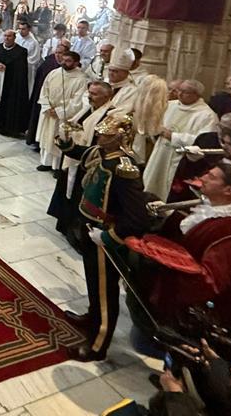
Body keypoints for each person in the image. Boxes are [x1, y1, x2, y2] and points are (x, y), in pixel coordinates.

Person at [57, 111, 148, 361]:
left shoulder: (123, 169)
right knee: (94, 286)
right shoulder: (100, 152)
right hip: (89, 226)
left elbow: (137, 218)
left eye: (107, 134)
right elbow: (79, 153)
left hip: (104, 235)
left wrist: (108, 237)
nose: (100, 135)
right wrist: (66, 141)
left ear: (120, 138)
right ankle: (92, 316)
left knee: (105, 292)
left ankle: (98, 345)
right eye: (101, 131)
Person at [135, 164, 231, 335]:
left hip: (198, 319)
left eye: (211, 177)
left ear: (228, 190)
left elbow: (209, 284)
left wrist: (164, 270)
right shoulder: (222, 211)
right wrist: (170, 216)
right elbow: (199, 233)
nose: (202, 178)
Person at [144, 80, 221, 200]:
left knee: (169, 190)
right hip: (161, 152)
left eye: (185, 92)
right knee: (153, 181)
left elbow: (203, 141)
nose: (179, 94)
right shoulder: (170, 105)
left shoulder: (207, 115)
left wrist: (173, 136)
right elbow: (157, 124)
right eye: (179, 90)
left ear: (196, 94)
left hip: (182, 160)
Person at [35, 50, 87, 172]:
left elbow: (77, 102)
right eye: (63, 60)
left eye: (68, 61)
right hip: (49, 112)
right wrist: (47, 106)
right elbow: (44, 90)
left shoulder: (81, 79)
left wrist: (59, 112)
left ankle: (58, 167)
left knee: (59, 140)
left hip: (63, 116)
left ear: (76, 63)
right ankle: (46, 162)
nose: (64, 62)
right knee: (47, 137)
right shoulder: (54, 73)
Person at [15, 19, 42, 93]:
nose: (21, 31)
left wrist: (21, 62)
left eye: (23, 29)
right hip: (14, 67)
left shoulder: (33, 42)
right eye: (19, 29)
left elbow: (35, 58)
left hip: (27, 68)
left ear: (29, 29)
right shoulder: (16, 38)